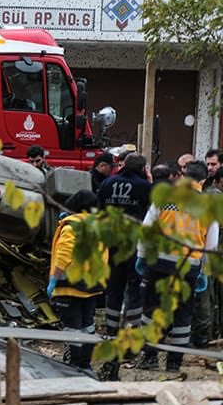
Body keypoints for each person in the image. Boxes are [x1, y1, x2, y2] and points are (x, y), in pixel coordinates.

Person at [136, 161, 219, 371]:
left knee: (152, 309)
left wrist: (141, 256)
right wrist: (204, 270)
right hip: (188, 265)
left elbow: (147, 228)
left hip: (159, 262)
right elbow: (212, 243)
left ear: (182, 175)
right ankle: (174, 364)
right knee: (183, 313)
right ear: (203, 180)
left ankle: (150, 357)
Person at [96, 154, 151, 380]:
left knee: (114, 288)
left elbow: (99, 211)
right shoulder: (144, 187)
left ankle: (110, 331)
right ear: (143, 169)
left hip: (113, 242)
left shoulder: (108, 183)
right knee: (134, 290)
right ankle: (131, 334)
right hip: (134, 244)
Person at [47, 190, 108, 374]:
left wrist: (53, 280)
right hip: (92, 285)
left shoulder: (70, 227)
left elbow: (64, 255)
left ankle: (72, 365)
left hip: (70, 287)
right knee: (87, 325)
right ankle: (85, 364)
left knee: (72, 327)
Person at [193, 167, 223, 347]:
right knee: (208, 297)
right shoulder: (214, 196)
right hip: (209, 254)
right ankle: (205, 335)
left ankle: (207, 333)